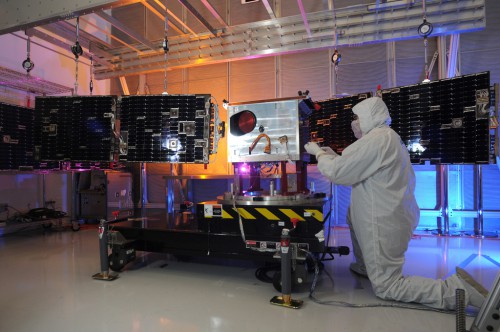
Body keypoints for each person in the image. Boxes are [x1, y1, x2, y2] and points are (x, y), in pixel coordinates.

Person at [304, 96, 488, 310]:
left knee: (387, 287)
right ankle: (365, 266)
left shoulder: (377, 140)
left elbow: (338, 172)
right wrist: (332, 155)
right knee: (351, 216)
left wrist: (318, 153)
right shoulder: (385, 137)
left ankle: (457, 291)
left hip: (382, 221)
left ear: (370, 117)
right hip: (390, 212)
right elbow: (353, 166)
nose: (354, 122)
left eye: (357, 117)